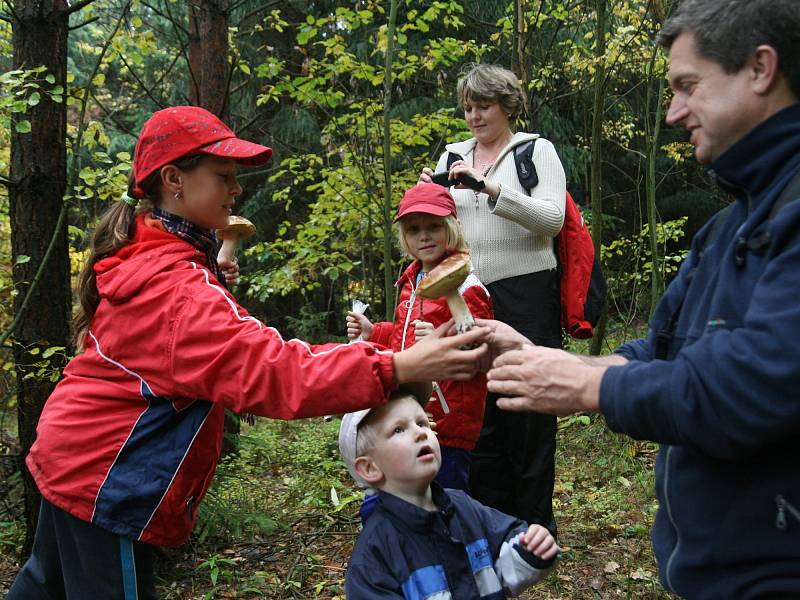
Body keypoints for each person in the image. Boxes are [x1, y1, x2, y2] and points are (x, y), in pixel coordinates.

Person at [7, 106, 490, 600]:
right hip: (103, 479)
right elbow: (274, 370)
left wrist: (214, 274)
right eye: (223, 177)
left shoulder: (154, 256)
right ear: (173, 179)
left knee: (44, 589)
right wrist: (399, 364)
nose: (236, 190)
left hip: (73, 458)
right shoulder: (174, 290)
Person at [482, 0, 800, 597]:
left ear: (760, 68)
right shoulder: (727, 229)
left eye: (687, 86)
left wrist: (587, 387)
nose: (675, 112)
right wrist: (552, 364)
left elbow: (757, 385)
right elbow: (658, 352)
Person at [419, 63, 566, 536]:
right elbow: (438, 228)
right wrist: (431, 192)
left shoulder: (534, 152)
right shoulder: (452, 154)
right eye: (467, 107)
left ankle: (535, 526)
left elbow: (552, 219)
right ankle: (492, 522)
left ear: (507, 105)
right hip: (465, 293)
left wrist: (488, 187)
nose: (474, 116)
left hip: (527, 290)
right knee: (475, 406)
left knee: (528, 403)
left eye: (483, 106)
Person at [345, 183, 493, 495]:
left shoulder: (467, 284)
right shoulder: (412, 280)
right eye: (413, 230)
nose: (423, 236)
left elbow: (484, 348)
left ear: (451, 227)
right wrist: (375, 333)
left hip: (448, 419)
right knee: (412, 495)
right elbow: (404, 337)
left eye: (433, 227)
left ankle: (456, 543)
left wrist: (448, 338)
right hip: (413, 414)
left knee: (446, 498)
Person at [339, 389, 559, 599]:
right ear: (370, 468)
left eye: (422, 422)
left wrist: (530, 550)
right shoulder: (374, 556)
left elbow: (505, 558)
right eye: (398, 429)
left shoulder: (463, 507)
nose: (420, 433)